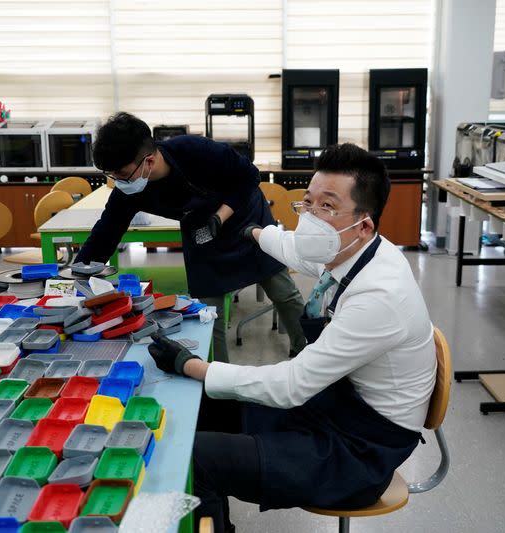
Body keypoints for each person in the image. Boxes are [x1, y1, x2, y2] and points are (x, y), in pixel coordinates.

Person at [148, 143, 438, 533]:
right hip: (337, 405)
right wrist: (251, 230)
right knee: (203, 409)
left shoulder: (380, 296)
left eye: (328, 207)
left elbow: (291, 385)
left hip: (360, 450)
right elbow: (295, 249)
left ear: (364, 223)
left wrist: (197, 367)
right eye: (308, 203)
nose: (312, 218)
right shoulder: (357, 248)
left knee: (193, 458)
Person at [75, 112, 307, 362]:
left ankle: (308, 350)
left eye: (121, 173)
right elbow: (106, 232)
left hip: (245, 219)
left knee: (283, 292)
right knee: (208, 312)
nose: (118, 181)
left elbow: (249, 176)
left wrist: (220, 216)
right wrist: (76, 275)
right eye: (111, 175)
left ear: (148, 161)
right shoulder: (129, 190)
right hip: (202, 233)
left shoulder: (194, 150)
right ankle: (218, 379)